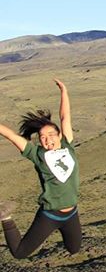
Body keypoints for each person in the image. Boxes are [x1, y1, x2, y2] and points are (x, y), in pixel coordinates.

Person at [0, 79, 83, 259]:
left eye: (51, 134)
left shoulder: (67, 145)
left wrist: (64, 91)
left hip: (72, 213)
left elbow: (64, 117)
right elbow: (11, 135)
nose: (47, 139)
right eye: (42, 137)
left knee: (74, 249)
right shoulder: (37, 154)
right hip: (50, 214)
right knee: (19, 253)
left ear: (59, 135)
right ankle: (5, 216)